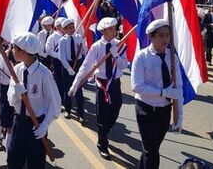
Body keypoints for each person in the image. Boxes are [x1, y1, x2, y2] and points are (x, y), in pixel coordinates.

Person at [68, 17, 128, 159]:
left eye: (115, 28)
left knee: (116, 109)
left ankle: (105, 131)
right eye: (112, 29)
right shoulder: (96, 47)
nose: (115, 31)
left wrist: (116, 55)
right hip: (102, 83)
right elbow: (85, 67)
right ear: (103, 31)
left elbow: (124, 66)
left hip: (114, 82)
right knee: (102, 114)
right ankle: (102, 144)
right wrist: (74, 85)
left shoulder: (119, 45)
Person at [131, 19, 184, 169]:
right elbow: (136, 86)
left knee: (151, 149)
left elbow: (178, 88)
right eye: (161, 35)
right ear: (151, 37)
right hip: (146, 109)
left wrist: (179, 117)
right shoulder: (141, 57)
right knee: (152, 152)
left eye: (167, 35)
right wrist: (163, 92)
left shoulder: (172, 57)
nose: (165, 39)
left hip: (164, 111)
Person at [7, 32, 61, 169]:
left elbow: (55, 104)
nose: (12, 51)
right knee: (14, 162)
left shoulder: (44, 74)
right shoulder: (17, 70)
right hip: (19, 123)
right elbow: (10, 101)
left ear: (24, 52)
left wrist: (44, 126)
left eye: (15, 48)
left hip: (37, 125)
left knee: (35, 164)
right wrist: (15, 93)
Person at [58, 18, 87, 121]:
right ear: (65, 30)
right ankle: (68, 110)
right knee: (67, 89)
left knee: (78, 89)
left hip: (77, 64)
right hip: (67, 66)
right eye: (69, 28)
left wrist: (83, 46)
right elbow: (62, 56)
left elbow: (84, 51)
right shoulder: (62, 40)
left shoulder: (79, 37)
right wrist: (69, 68)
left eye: (73, 27)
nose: (72, 29)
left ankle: (81, 113)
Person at [45, 17, 66, 102]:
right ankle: (59, 99)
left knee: (66, 81)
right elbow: (48, 49)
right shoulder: (52, 37)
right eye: (62, 26)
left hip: (67, 61)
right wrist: (58, 56)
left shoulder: (68, 36)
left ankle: (66, 99)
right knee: (59, 81)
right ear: (57, 27)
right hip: (57, 62)